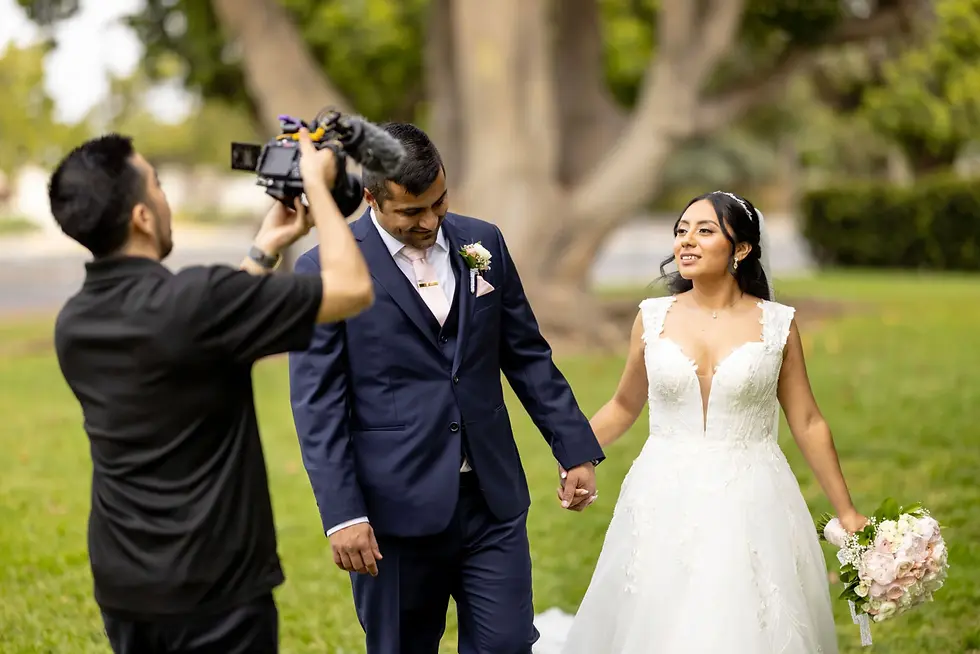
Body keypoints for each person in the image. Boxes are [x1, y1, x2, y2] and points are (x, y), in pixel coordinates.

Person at [50, 128, 373, 654]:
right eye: (155, 184)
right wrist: (318, 187)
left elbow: (193, 339)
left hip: (124, 586)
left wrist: (264, 248)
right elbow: (352, 289)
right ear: (142, 217)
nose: (163, 194)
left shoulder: (75, 324)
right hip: (215, 591)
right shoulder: (196, 299)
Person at [288, 122, 605, 653]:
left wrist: (573, 448)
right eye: (412, 212)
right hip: (392, 514)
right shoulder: (324, 268)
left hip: (491, 498)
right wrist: (344, 514)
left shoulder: (484, 242)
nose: (431, 221)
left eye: (438, 203)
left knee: (506, 645)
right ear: (371, 198)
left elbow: (526, 354)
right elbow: (317, 405)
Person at [557, 191, 867, 654]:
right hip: (662, 493)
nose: (687, 241)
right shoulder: (652, 318)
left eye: (704, 231)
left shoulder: (777, 325)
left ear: (740, 249)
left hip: (751, 497)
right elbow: (624, 405)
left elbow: (806, 420)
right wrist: (575, 456)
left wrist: (847, 513)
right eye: (681, 230)